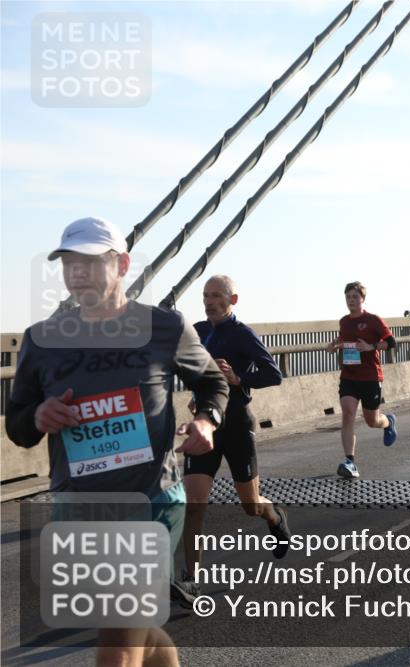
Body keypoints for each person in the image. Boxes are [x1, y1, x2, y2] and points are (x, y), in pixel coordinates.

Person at [5, 217, 229, 667]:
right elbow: (18, 426)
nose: (77, 273)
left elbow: (212, 382)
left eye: (90, 262)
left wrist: (207, 420)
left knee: (118, 642)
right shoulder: (42, 340)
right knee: (138, 631)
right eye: (69, 263)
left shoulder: (165, 328)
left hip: (150, 502)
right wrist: (39, 415)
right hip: (79, 508)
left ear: (123, 265)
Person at [179, 275, 289, 597]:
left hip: (238, 425)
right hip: (205, 425)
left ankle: (274, 516)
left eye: (216, 296)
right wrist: (198, 392)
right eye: (205, 296)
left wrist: (238, 378)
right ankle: (191, 580)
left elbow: (274, 374)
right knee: (194, 504)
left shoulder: (242, 334)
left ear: (232, 300)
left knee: (250, 505)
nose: (209, 302)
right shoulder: (197, 331)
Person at [326, 281, 398, 479]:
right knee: (348, 414)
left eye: (355, 297)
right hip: (349, 375)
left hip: (370, 377)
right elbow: (344, 341)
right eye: (348, 297)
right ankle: (350, 461)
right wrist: (334, 346)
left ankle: (388, 422)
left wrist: (370, 346)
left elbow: (391, 342)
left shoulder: (373, 320)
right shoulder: (344, 321)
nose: (351, 300)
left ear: (362, 299)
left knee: (372, 421)